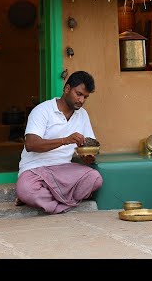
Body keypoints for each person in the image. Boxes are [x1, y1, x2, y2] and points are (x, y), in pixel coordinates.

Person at [15, 70, 103, 214]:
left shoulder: (82, 115)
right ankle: (65, 202)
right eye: (78, 94)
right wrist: (65, 140)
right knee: (26, 189)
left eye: (85, 97)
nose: (81, 100)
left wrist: (88, 156)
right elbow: (30, 144)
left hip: (63, 169)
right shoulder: (42, 110)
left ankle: (48, 201)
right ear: (67, 89)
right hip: (35, 169)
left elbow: (87, 145)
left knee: (94, 179)